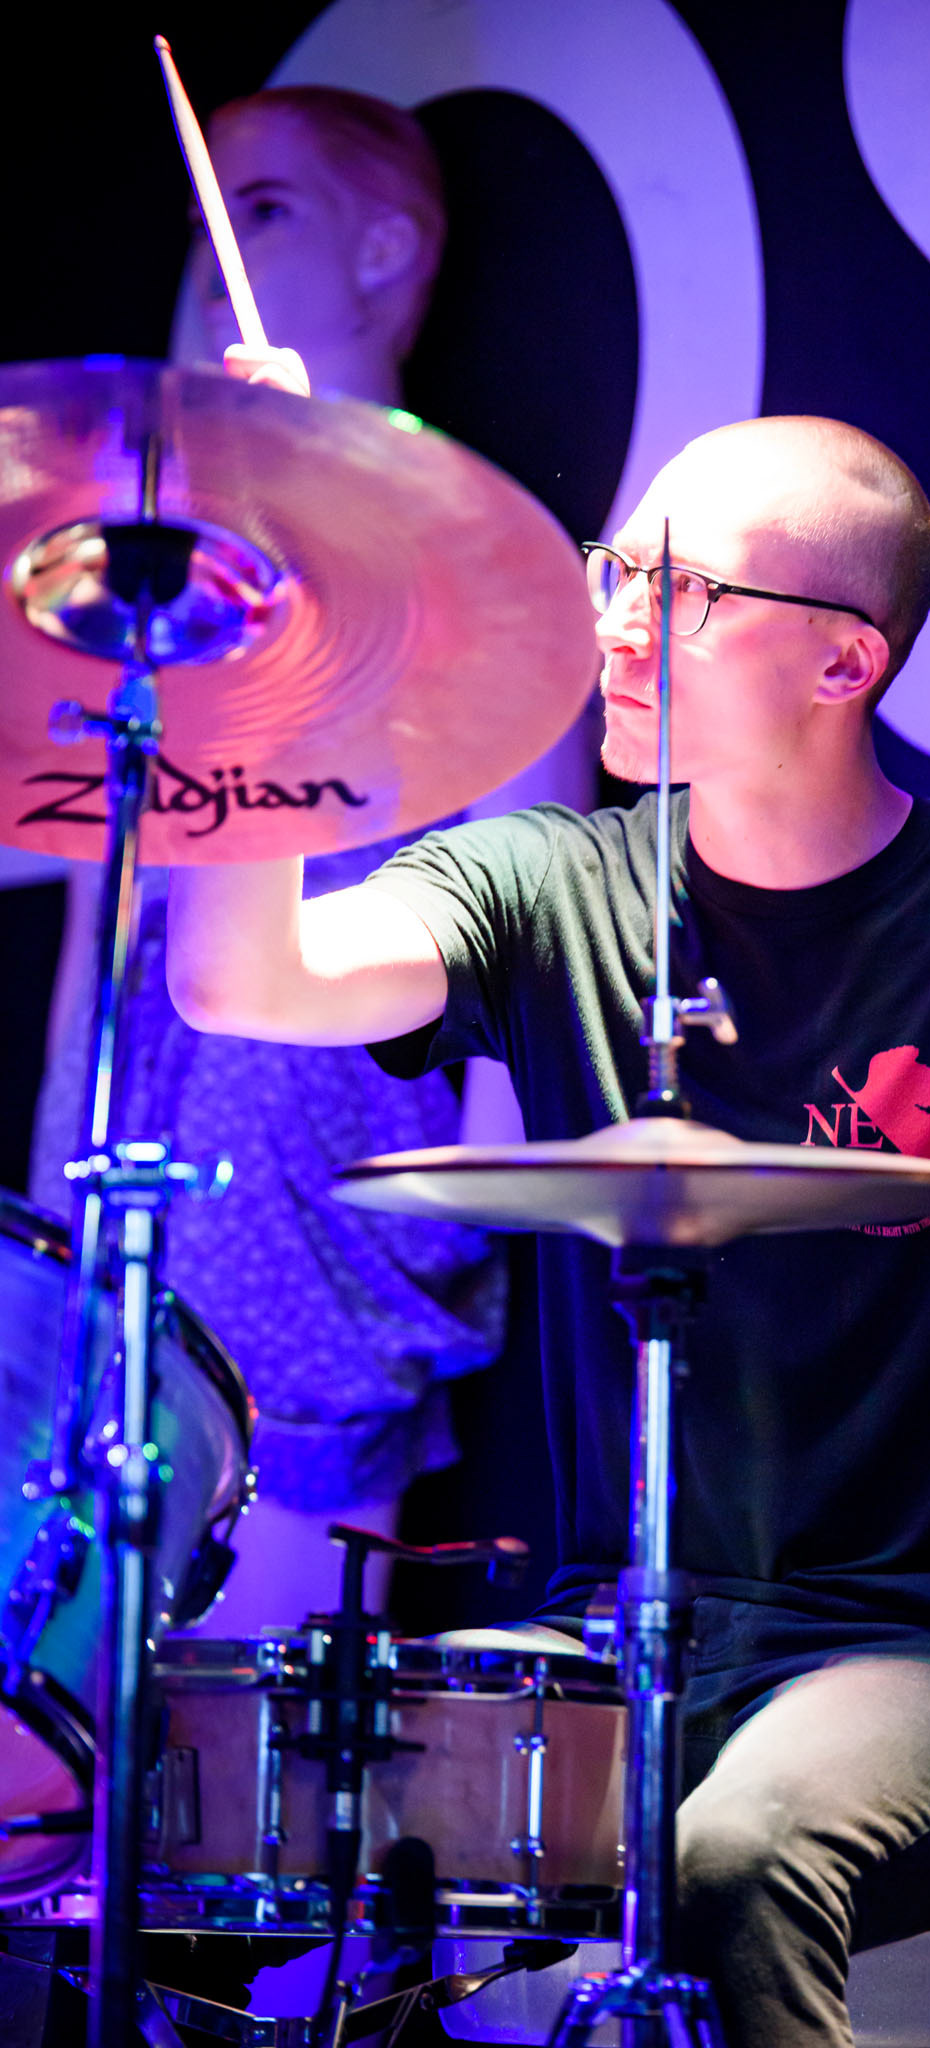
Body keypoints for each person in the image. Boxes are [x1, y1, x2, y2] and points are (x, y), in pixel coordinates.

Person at [166, 399, 930, 2047]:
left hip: (927, 1645)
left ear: (844, 661)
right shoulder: (547, 881)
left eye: (680, 588)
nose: (615, 624)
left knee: (734, 1860)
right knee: (277, 1803)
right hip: (611, 1623)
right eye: (613, 570)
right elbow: (237, 980)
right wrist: (262, 668)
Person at [32, 85, 589, 1633]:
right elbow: (97, 931)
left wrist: (453, 1222)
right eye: (208, 220)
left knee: (236, 1714)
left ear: (386, 249)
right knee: (67, 1703)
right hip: (133, 1177)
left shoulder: (478, 575)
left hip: (325, 1204)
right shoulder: (151, 577)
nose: (216, 258)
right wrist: (52, 1219)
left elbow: (528, 919)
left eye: (265, 209)